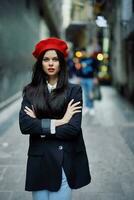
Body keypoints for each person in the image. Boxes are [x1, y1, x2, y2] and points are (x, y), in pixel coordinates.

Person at [19, 37, 91, 200]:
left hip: (63, 160)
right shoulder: (30, 91)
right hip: (39, 161)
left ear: (61, 63)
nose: (51, 63)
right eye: (46, 59)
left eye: (55, 59)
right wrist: (61, 120)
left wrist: (40, 125)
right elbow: (25, 125)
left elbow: (72, 129)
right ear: (40, 63)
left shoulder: (74, 91)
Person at [75, 49, 99, 116]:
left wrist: (95, 78)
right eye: (82, 52)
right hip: (83, 79)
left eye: (84, 52)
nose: (83, 53)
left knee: (91, 93)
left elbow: (96, 69)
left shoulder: (92, 59)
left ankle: (92, 108)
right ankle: (87, 107)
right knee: (85, 93)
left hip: (90, 79)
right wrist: (78, 77)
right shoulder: (81, 59)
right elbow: (78, 69)